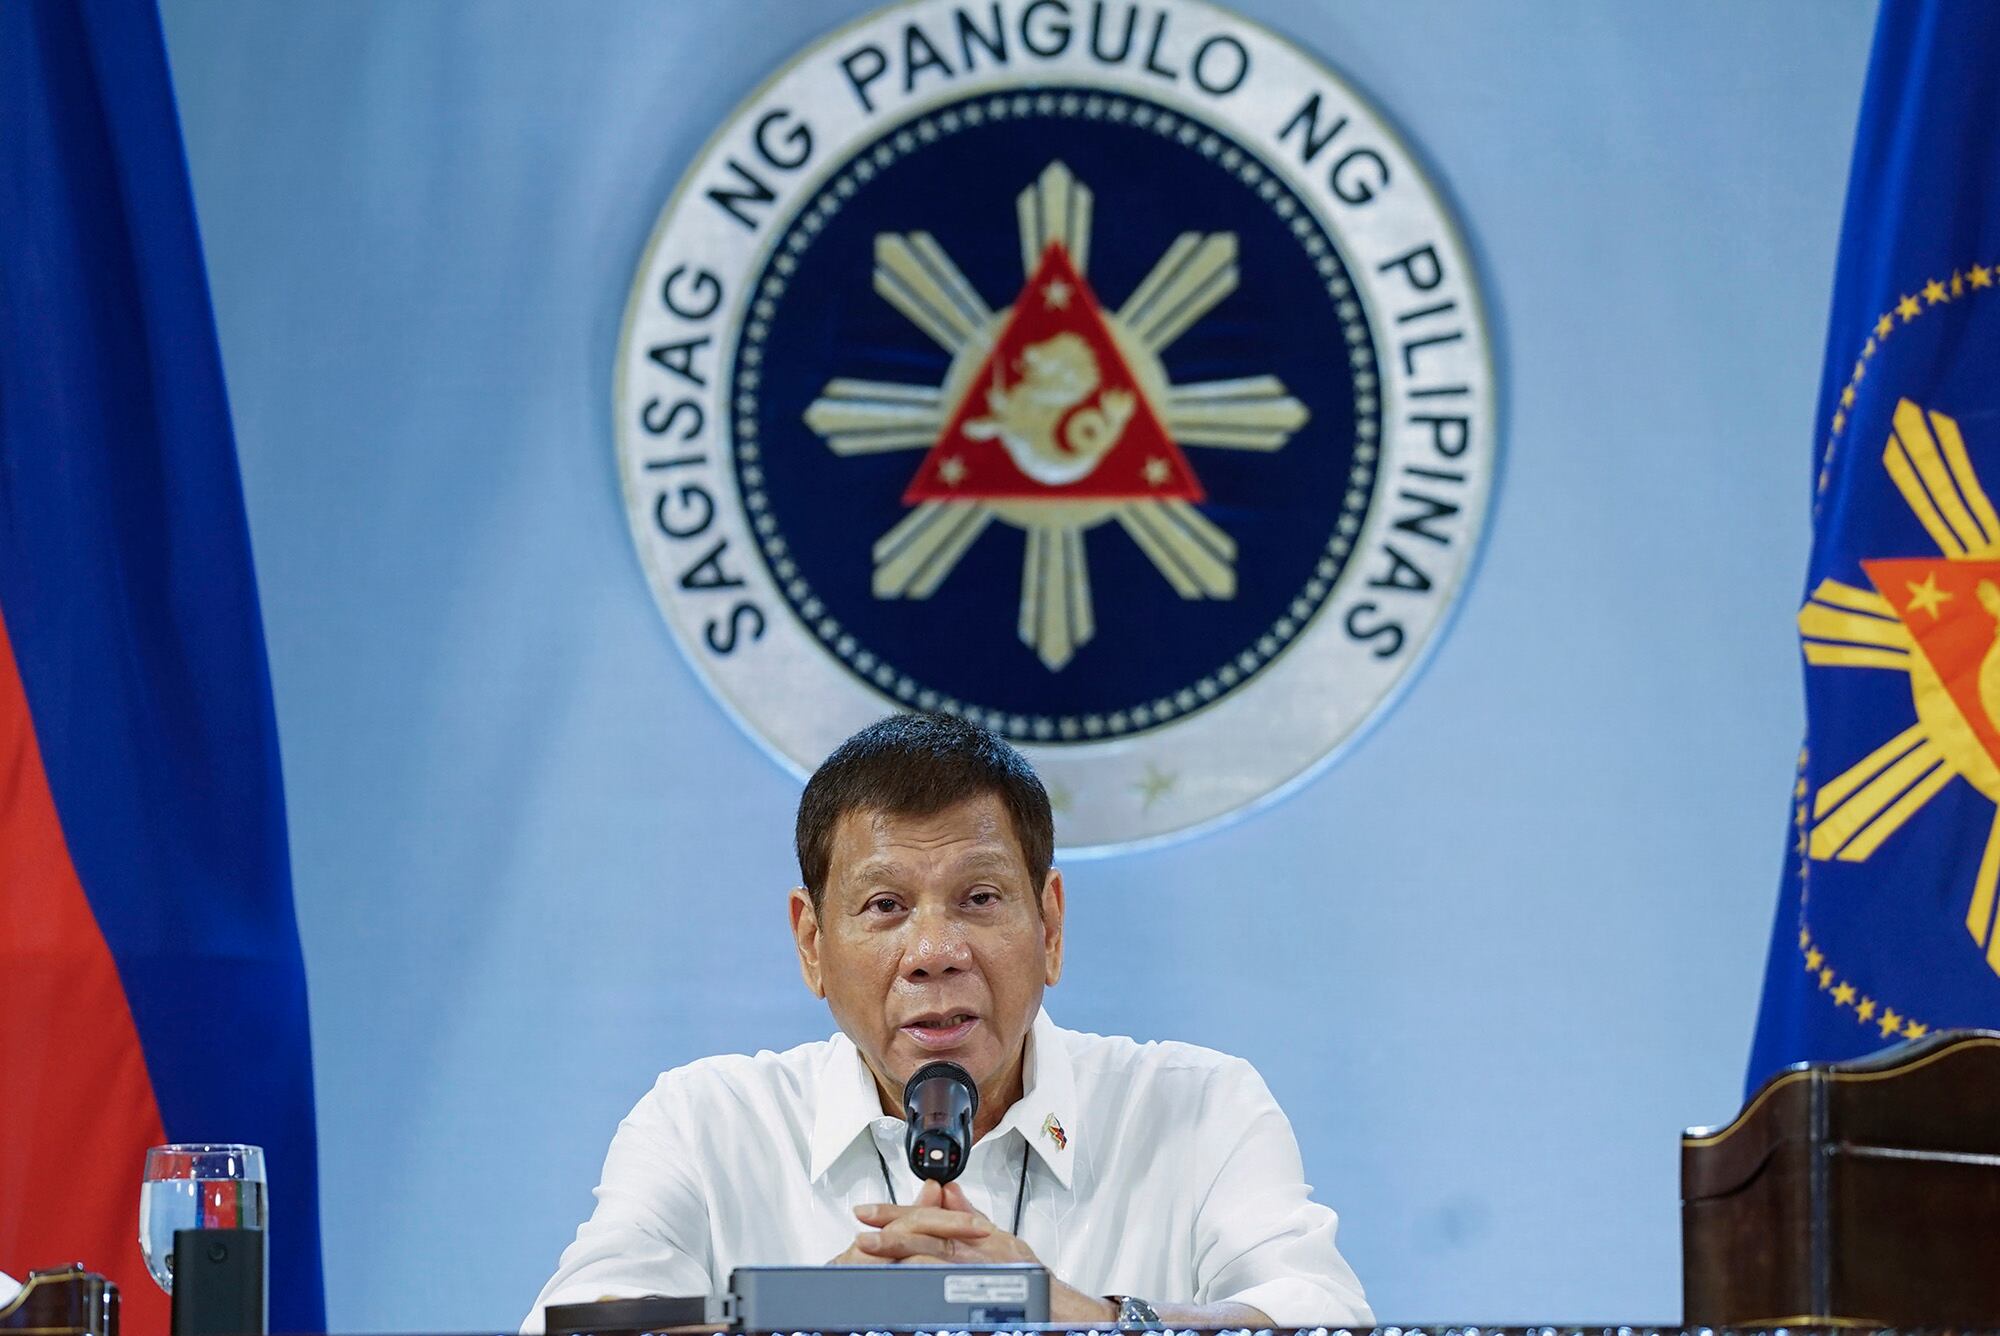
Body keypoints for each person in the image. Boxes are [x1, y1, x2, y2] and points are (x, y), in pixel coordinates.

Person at [524, 714, 1370, 1331]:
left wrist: (1096, 1322)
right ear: (812, 943)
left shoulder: (1196, 1107)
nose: (934, 951)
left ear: (1051, 925)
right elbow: (575, 1325)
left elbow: (1325, 1315)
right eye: (885, 906)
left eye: (980, 898)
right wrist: (790, 1322)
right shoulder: (705, 1124)